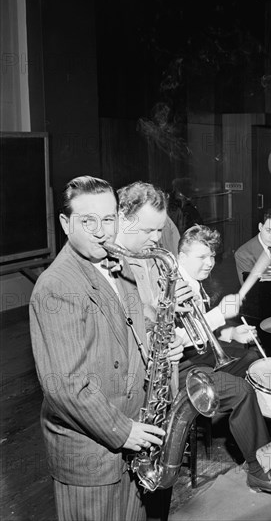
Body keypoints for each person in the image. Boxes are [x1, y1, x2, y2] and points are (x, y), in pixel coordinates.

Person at [29, 176, 184, 521]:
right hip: (93, 457)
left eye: (109, 219)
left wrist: (160, 348)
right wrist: (126, 432)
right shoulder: (56, 286)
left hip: (133, 442)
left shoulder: (119, 264)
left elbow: (129, 334)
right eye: (89, 221)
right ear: (66, 224)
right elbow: (64, 386)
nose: (102, 232)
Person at [116, 181, 271, 495]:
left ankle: (256, 440)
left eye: (212, 257)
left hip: (199, 358)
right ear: (182, 254)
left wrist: (229, 330)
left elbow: (201, 332)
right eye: (202, 257)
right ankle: (258, 468)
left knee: (254, 360)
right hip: (183, 369)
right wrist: (219, 316)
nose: (209, 263)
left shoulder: (194, 281)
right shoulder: (173, 280)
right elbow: (176, 336)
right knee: (242, 390)